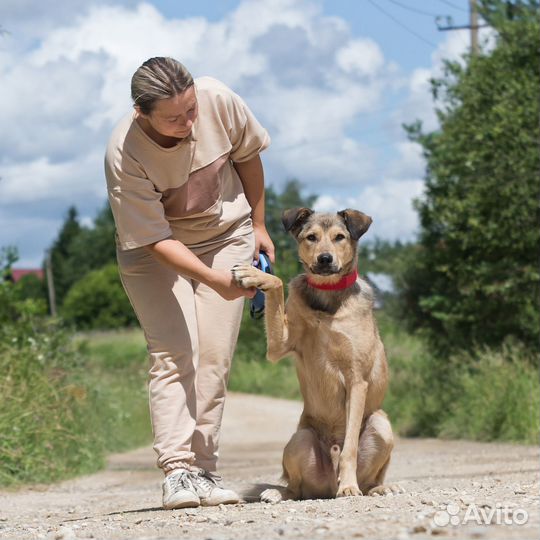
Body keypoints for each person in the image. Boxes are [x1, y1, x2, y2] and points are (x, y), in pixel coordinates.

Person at [104, 57, 274, 509]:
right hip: (154, 248)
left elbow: (248, 156)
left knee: (214, 357)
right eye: (175, 117)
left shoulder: (218, 98)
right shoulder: (125, 152)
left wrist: (258, 224)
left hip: (225, 234)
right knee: (175, 351)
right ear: (142, 113)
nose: (189, 122)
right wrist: (214, 280)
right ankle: (178, 472)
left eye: (191, 109)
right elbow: (156, 238)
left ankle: (204, 470)